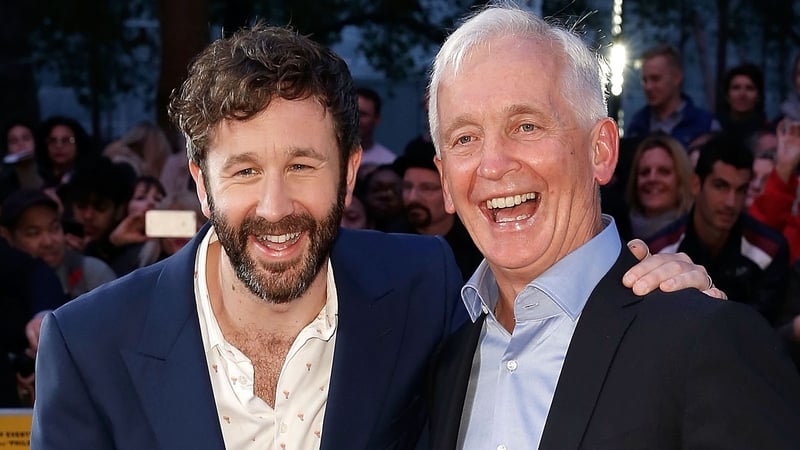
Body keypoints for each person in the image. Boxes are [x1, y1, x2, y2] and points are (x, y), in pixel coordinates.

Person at [32, 22, 724, 450]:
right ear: (201, 184)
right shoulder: (89, 345)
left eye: (303, 166)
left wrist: (648, 289)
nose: (275, 206)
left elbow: (546, 328)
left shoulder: (421, 285)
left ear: (351, 174)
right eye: (244, 171)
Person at [425, 5, 800, 450]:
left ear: (600, 151)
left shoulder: (705, 338)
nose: (492, 165)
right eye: (465, 138)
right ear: (445, 180)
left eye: (525, 126)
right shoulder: (440, 367)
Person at [648, 134, 789, 324]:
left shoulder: (769, 249)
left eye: (740, 190)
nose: (731, 202)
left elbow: (766, 329)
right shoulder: (660, 251)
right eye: (720, 186)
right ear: (696, 185)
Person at [0, 188, 117, 300]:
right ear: (7, 236)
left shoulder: (92, 274)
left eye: (54, 228)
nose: (48, 242)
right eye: (34, 233)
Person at [395, 139, 482, 280]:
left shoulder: (478, 247)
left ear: (449, 191)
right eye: (407, 187)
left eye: (427, 188)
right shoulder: (390, 242)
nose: (412, 197)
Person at [626, 45, 720, 148]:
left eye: (655, 79)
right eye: (644, 80)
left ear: (677, 77)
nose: (648, 87)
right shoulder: (637, 125)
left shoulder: (705, 125)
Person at [625, 133, 694, 240]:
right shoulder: (618, 235)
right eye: (645, 172)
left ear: (681, 179)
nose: (652, 178)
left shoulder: (695, 236)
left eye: (664, 171)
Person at [718, 63, 769, 140]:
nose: (742, 94)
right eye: (736, 88)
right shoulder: (715, 130)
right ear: (727, 95)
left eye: (749, 88)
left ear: (758, 96)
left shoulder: (769, 134)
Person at [356, 87, 396, 177]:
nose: (356, 119)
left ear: (377, 119)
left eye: (363, 114)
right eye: (352, 113)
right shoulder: (330, 156)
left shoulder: (388, 162)